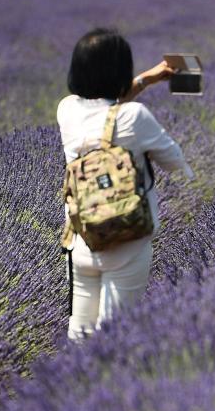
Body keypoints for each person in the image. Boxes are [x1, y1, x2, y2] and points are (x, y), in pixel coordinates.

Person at [58, 27, 194, 340]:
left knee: (80, 331)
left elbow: (105, 111)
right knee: (114, 332)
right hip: (126, 238)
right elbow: (174, 161)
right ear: (121, 71)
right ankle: (107, 385)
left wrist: (146, 80)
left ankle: (73, 385)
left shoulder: (67, 110)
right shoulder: (135, 116)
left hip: (82, 235)